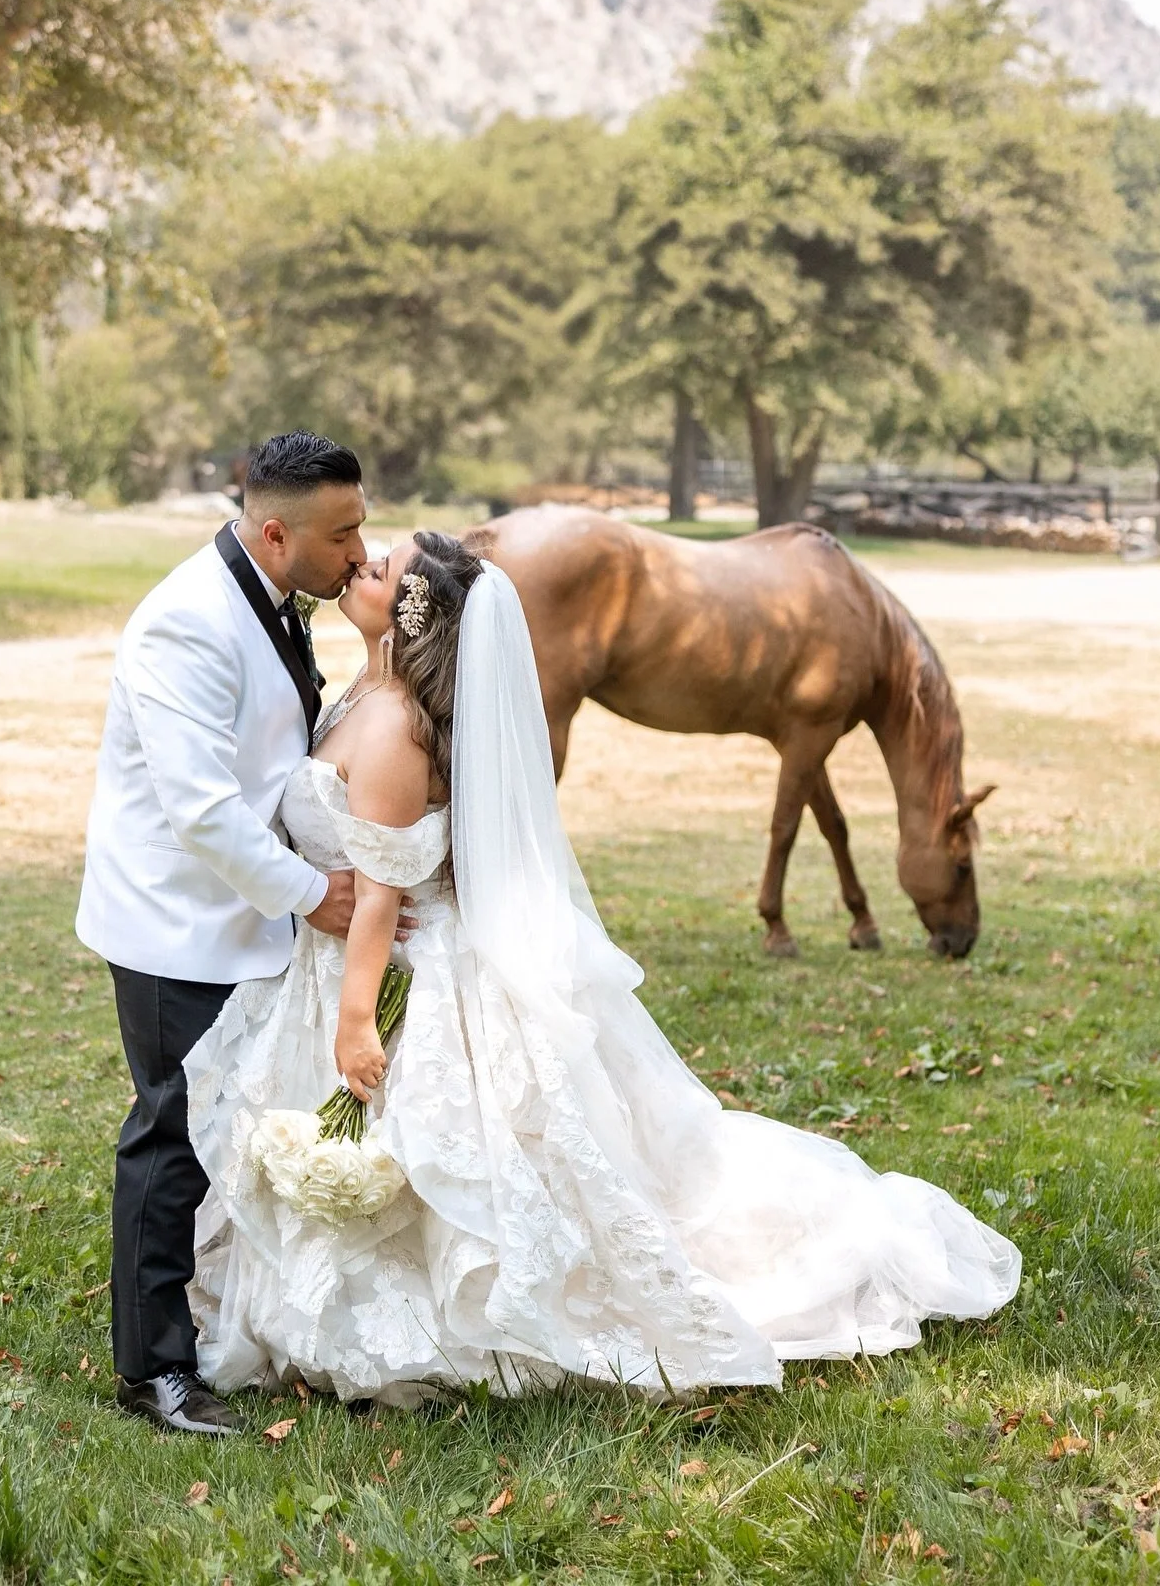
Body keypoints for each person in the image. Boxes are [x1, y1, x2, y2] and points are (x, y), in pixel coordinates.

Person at [183, 534, 1021, 1404]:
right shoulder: (363, 691)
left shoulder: (393, 727)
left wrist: (357, 1018)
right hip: (334, 960)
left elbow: (385, 895)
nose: (361, 564)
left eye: (381, 568)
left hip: (375, 972)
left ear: (415, 613)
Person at [76, 430, 396, 1434]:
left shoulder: (275, 599)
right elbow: (203, 814)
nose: (358, 550)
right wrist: (314, 893)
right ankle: (152, 1371)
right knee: (171, 1134)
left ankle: (222, 1316)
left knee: (223, 1130)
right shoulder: (185, 623)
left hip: (239, 914)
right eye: (342, 532)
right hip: (178, 923)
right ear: (272, 532)